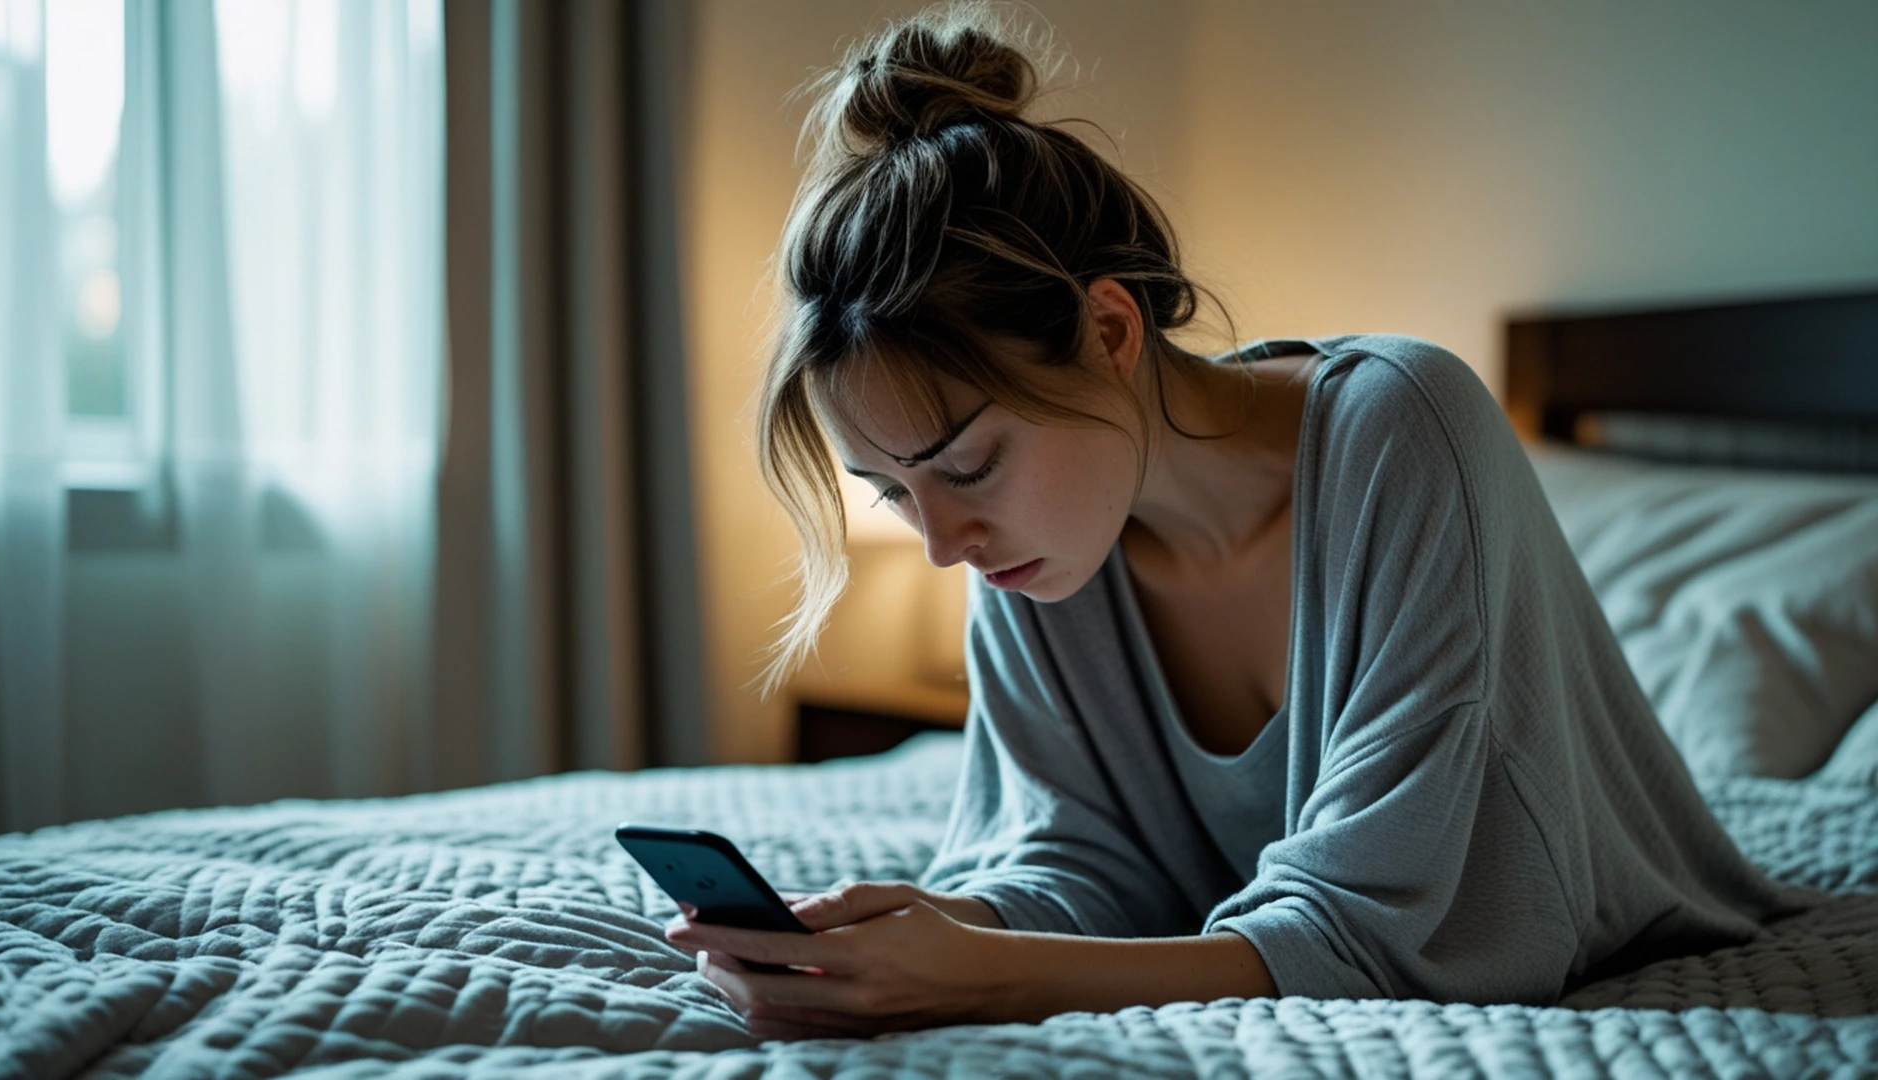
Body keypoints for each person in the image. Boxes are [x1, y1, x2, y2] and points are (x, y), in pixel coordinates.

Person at [665, 2, 1802, 1041]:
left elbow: (1379, 929)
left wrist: (986, 977)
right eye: (896, 494)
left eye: (968, 465)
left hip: (1624, 929)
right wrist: (940, 924)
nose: (943, 542)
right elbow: (1083, 866)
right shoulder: (1046, 542)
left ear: (1110, 332)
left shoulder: (1405, 432)